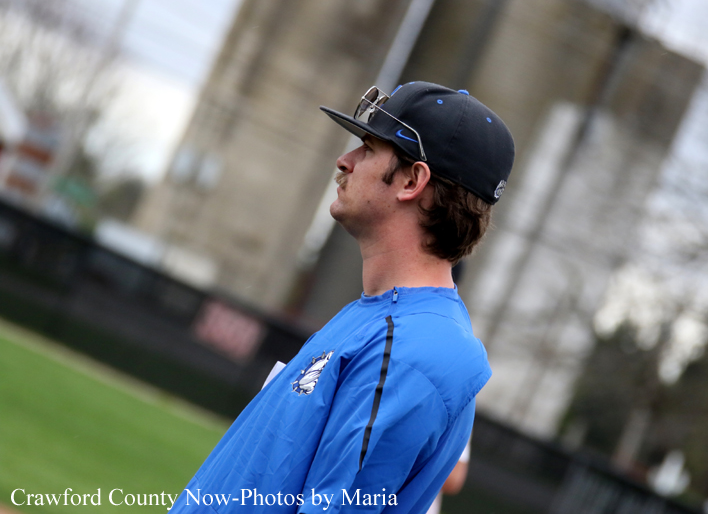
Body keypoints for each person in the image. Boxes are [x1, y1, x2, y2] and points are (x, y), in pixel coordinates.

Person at [170, 81, 514, 513]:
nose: (345, 160)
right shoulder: (379, 317)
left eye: (369, 149)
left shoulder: (415, 349)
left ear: (412, 180)